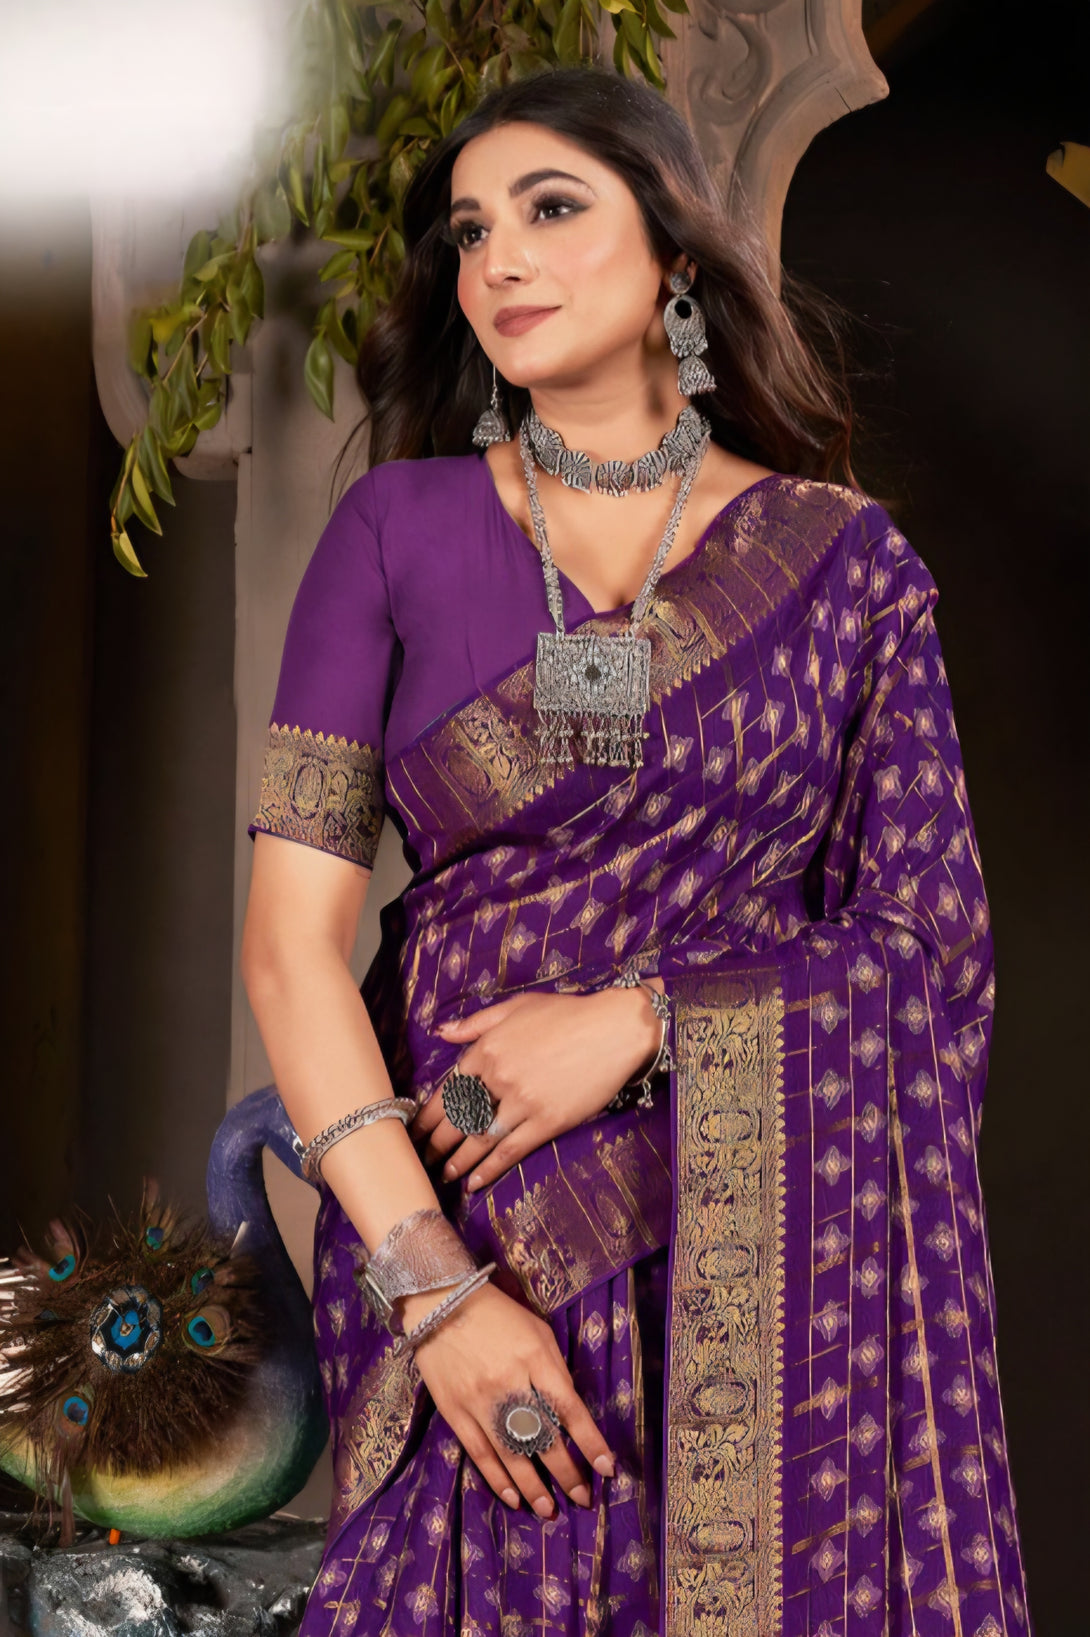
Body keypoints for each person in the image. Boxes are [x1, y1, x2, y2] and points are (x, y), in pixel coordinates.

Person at [241, 64, 1032, 1637]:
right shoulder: (394, 531)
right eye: (472, 231)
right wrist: (437, 1295)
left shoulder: (844, 569)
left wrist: (638, 1018)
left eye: (549, 209)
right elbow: (287, 948)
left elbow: (928, 948)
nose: (498, 261)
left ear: (674, 247)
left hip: (767, 1245)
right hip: (466, 1221)